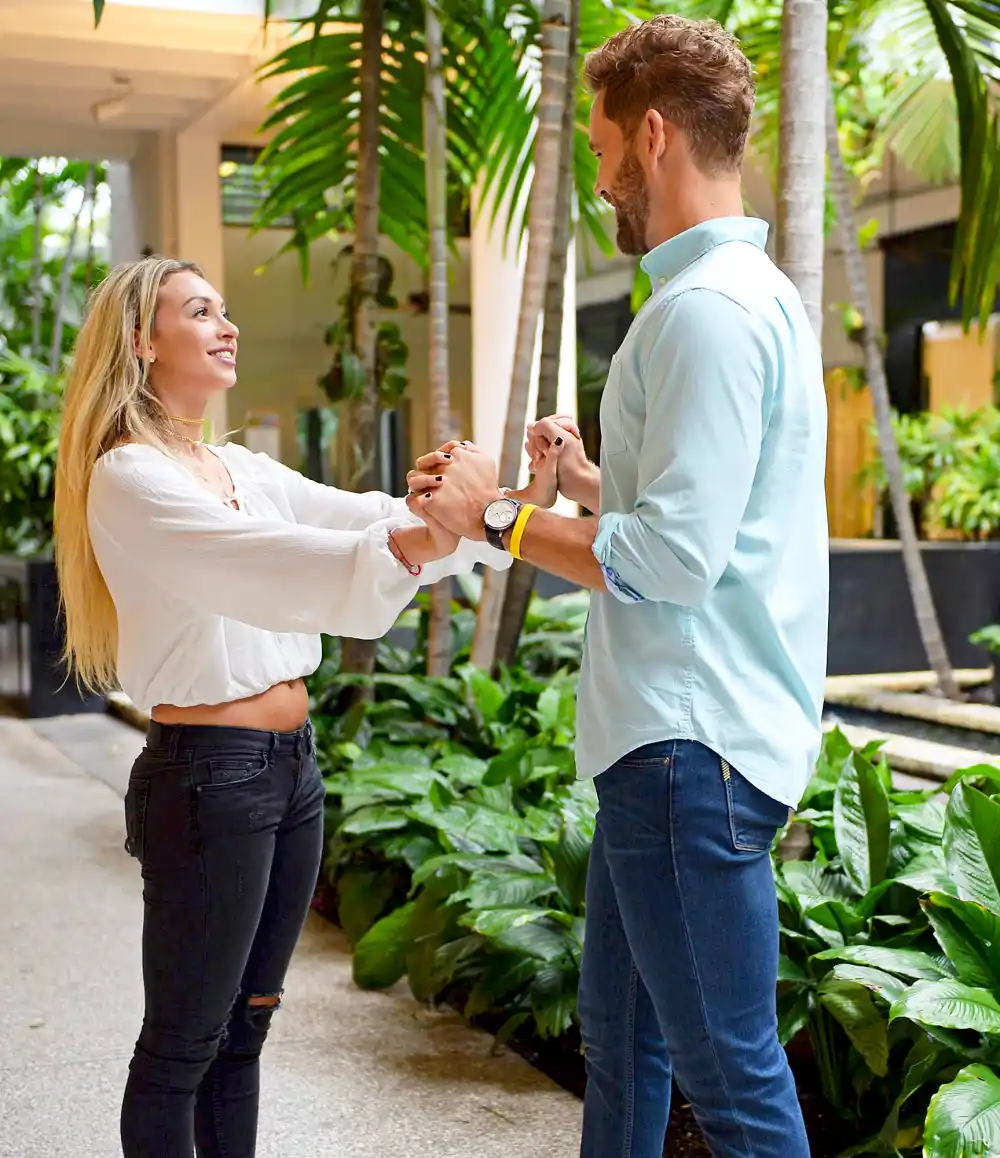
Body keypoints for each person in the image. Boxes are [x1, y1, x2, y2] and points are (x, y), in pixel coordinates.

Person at [405, 15, 828, 1158]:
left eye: (599, 152)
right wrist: (595, 483)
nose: (599, 181)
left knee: (729, 1080)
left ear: (651, 137)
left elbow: (671, 563)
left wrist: (494, 517)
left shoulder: (703, 313)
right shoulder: (747, 296)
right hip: (677, 750)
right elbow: (720, 517)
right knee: (625, 1047)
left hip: (688, 751)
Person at [52, 256, 556, 1158]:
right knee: (183, 1045)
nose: (227, 326)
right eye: (200, 312)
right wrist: (430, 530)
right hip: (210, 780)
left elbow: (357, 519)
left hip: (291, 773)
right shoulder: (130, 476)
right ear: (141, 341)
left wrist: (487, 510)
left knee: (245, 1032)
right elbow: (267, 562)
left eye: (224, 310)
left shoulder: (237, 466)